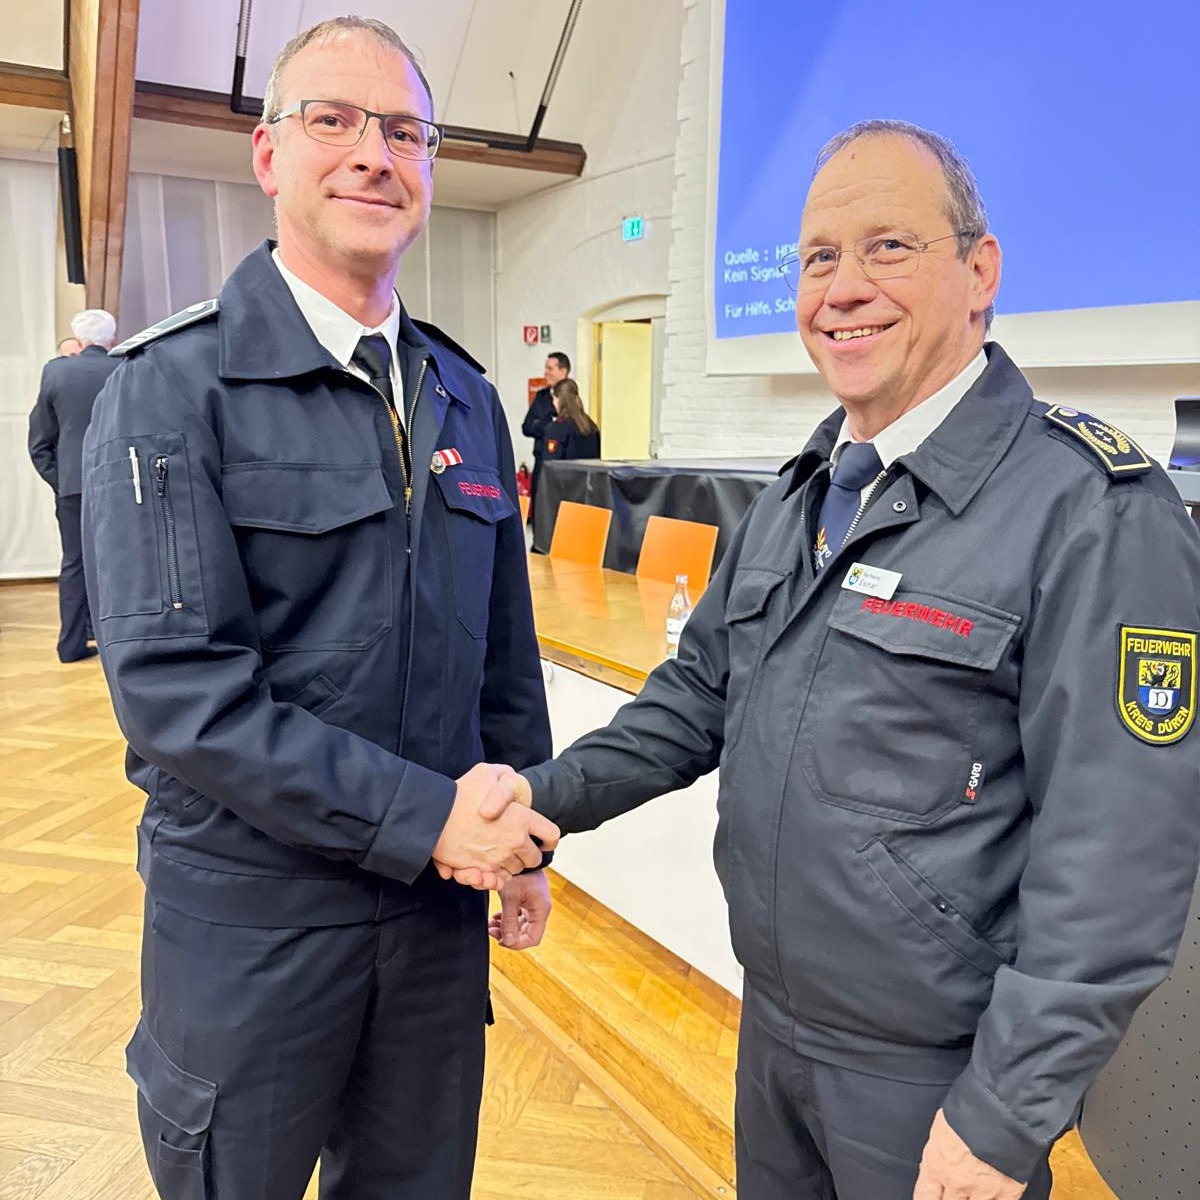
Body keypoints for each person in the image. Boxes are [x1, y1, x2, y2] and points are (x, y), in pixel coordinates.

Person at [459, 120, 1200, 1200]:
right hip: (772, 1033)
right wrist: (544, 798)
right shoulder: (805, 490)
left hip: (934, 1080)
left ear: (981, 272)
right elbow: (693, 699)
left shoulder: (1091, 511)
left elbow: (1119, 854)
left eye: (889, 246)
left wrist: (1005, 1114)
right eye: (817, 257)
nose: (843, 287)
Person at [81, 17, 558, 1200]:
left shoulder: (464, 394)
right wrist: (431, 820)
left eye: (403, 132)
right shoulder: (169, 388)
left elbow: (504, 654)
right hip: (255, 921)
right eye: (332, 121)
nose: (371, 155)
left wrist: (526, 838)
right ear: (268, 155)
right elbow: (180, 695)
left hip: (433, 922)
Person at [28, 309, 120, 661]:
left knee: (75, 564)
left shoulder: (55, 372)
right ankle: (121, 641)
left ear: (78, 341)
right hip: (120, 483)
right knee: (123, 561)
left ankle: (70, 644)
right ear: (112, 338)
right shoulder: (126, 367)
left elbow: (40, 441)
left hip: (73, 485)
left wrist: (60, 481)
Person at [521, 349, 571, 520]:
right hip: (541, 461)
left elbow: (568, 428)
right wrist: (548, 425)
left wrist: (542, 425)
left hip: (563, 465)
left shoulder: (571, 395)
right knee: (540, 510)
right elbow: (527, 427)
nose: (546, 372)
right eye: (545, 368)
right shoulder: (542, 397)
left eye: (550, 368)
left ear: (563, 371)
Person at [543, 378, 601, 461]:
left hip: (566, 470)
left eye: (554, 399)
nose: (553, 403)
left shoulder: (557, 429)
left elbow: (551, 464)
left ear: (559, 400)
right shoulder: (591, 426)